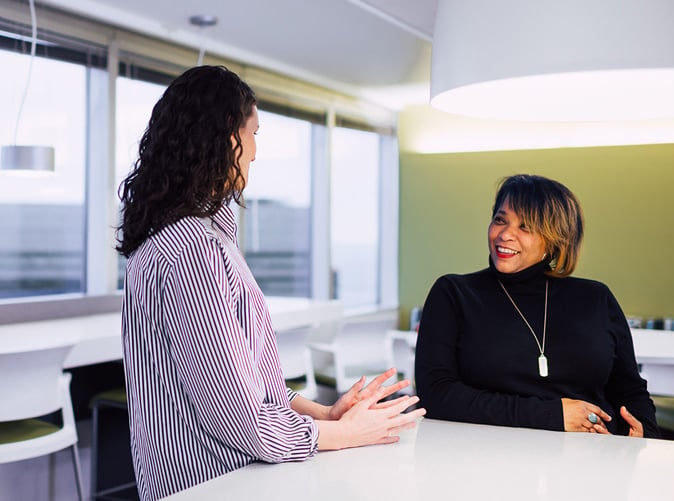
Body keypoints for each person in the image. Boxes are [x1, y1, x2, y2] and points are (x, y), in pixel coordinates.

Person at [116, 65, 425, 501]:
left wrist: (325, 414)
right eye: (254, 132)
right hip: (219, 481)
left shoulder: (195, 237)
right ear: (227, 136)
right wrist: (345, 434)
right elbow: (240, 418)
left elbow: (247, 383)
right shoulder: (190, 250)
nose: (256, 152)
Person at [415, 174, 660, 438]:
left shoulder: (596, 298)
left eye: (525, 227)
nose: (505, 234)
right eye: (500, 220)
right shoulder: (454, 293)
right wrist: (552, 415)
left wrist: (643, 435)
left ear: (554, 238)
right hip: (486, 460)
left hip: (591, 460)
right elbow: (437, 395)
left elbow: (630, 390)